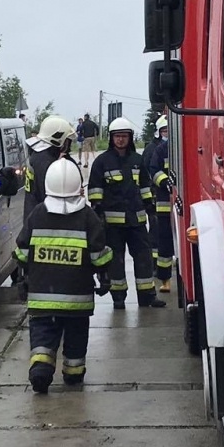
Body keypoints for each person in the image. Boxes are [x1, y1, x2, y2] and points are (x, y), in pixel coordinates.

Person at [14, 157, 113, 393]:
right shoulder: (88, 216)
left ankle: (40, 370)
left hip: (42, 298)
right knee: (76, 339)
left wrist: (22, 279)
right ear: (78, 185)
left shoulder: (38, 213)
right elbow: (99, 255)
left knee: (42, 336)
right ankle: (73, 373)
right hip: (77, 300)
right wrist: (105, 277)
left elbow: (22, 252)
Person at [87, 117, 164, 309]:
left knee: (144, 258)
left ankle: (147, 296)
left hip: (136, 221)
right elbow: (95, 191)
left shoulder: (137, 161)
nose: (120, 140)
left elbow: (145, 187)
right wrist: (98, 215)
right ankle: (118, 297)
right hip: (112, 225)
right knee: (116, 261)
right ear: (111, 138)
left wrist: (150, 209)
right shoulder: (102, 162)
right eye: (117, 136)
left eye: (124, 136)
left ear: (130, 138)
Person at [142, 116, 176, 292]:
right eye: (164, 131)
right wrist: (164, 182)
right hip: (164, 203)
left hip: (182, 203)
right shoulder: (161, 150)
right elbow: (153, 170)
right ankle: (164, 279)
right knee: (164, 242)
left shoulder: (183, 146)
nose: (167, 134)